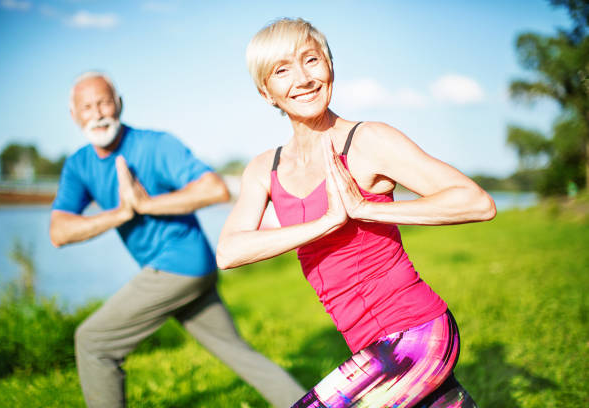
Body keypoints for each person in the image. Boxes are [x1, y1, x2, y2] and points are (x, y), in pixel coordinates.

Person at [217, 18, 497, 407]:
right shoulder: (266, 169)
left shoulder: (367, 141)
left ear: (329, 66)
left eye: (311, 60)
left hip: (414, 332)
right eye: (282, 70)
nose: (303, 78)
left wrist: (364, 208)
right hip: (368, 343)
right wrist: (327, 222)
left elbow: (476, 202)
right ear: (267, 92)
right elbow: (229, 251)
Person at [49, 71, 305, 408]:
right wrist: (120, 214)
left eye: (104, 102)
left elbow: (214, 188)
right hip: (185, 271)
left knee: (93, 341)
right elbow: (59, 232)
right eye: (86, 107)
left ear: (119, 105)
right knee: (239, 354)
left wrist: (146, 205)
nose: (97, 113)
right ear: (74, 115)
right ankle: (306, 403)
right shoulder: (78, 165)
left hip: (180, 265)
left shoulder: (155, 145)